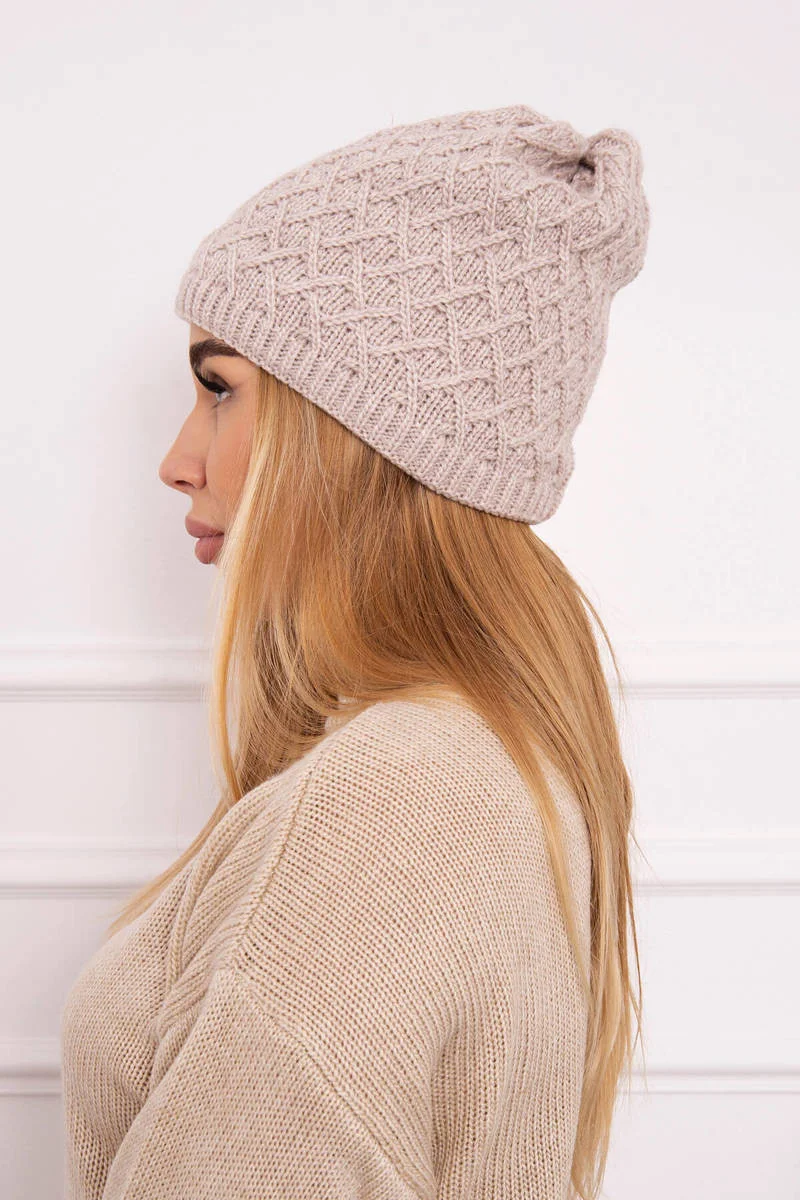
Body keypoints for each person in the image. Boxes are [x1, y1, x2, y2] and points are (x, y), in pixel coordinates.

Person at [59, 102, 650, 1200]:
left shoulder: (394, 797)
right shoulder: (485, 756)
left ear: (357, 431)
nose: (178, 459)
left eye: (220, 388)